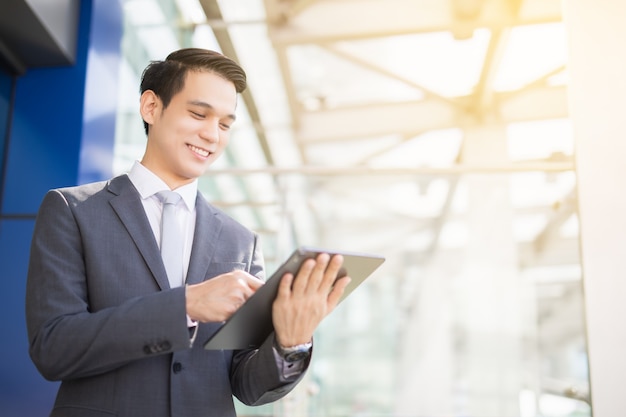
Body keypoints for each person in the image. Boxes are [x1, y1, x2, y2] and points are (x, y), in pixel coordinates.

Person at [25, 48, 350, 417]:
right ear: (151, 107)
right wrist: (186, 305)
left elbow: (247, 384)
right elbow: (53, 349)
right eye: (199, 114)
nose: (212, 135)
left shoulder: (241, 241)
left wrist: (291, 342)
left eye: (225, 124)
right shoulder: (74, 211)